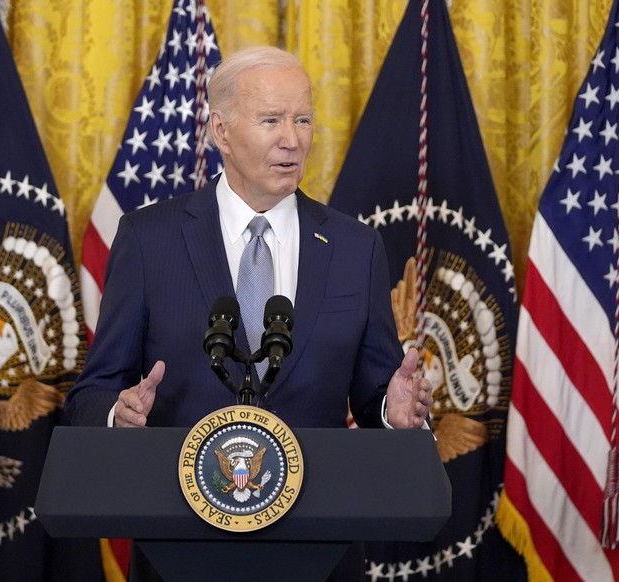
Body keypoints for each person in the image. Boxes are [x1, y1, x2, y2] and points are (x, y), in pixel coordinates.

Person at [65, 46, 433, 579]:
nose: (292, 138)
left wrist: (393, 413)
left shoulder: (356, 248)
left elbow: (377, 395)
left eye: (302, 119)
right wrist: (115, 415)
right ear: (221, 131)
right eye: (271, 120)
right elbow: (92, 392)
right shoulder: (149, 240)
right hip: (183, 549)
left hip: (317, 549)